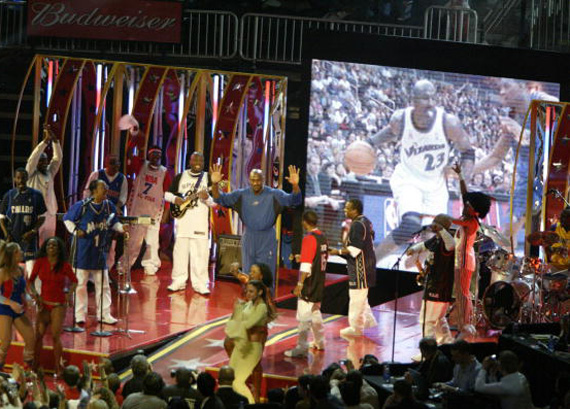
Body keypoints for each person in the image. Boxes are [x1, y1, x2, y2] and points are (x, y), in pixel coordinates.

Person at [367, 79, 475, 263]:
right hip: (408, 180)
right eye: (425, 98)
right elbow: (390, 132)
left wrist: (464, 179)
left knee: (432, 237)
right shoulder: (400, 119)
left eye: (433, 98)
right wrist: (370, 143)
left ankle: (417, 274)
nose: (430, 103)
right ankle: (370, 263)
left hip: (436, 185)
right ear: (413, 100)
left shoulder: (448, 123)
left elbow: (468, 151)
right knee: (410, 225)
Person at [211, 164, 302, 282]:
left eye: (258, 180)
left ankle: (267, 299)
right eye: (253, 180)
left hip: (267, 238)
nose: (255, 183)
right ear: (249, 180)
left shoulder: (274, 194)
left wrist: (295, 185)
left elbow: (294, 200)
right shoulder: (241, 195)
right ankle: (249, 300)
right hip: (249, 237)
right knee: (248, 275)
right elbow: (219, 198)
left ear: (263, 179)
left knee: (266, 275)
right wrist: (214, 184)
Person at [64, 179, 127, 324]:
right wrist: (75, 230)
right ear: (94, 191)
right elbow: (67, 219)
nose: (106, 191)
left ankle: (104, 314)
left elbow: (114, 222)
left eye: (106, 188)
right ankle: (79, 315)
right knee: (80, 284)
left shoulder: (108, 206)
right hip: (82, 252)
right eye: (102, 188)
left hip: (100, 252)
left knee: (103, 284)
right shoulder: (82, 206)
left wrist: (121, 228)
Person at [451, 162, 491, 339]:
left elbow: (452, 221)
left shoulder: (471, 222)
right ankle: (462, 323)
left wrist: (441, 219)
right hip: (462, 259)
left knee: (464, 294)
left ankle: (466, 325)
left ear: (475, 209)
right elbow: (464, 193)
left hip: (465, 260)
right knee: (461, 294)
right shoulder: (468, 216)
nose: (464, 204)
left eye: (468, 204)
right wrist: (460, 175)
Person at [165, 152, 214, 294]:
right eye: (195, 159)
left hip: (200, 224)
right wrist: (176, 200)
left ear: (204, 162)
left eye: (201, 159)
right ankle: (178, 281)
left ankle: (200, 284)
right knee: (180, 253)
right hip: (182, 223)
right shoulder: (180, 177)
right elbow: (167, 194)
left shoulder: (208, 178)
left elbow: (214, 202)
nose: (198, 162)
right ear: (190, 162)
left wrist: (206, 198)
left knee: (200, 254)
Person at [27, 236, 78, 374]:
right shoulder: (40, 262)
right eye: (49, 245)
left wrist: (69, 294)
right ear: (45, 248)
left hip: (58, 305)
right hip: (43, 305)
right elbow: (30, 281)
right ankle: (35, 365)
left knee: (55, 336)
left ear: (59, 249)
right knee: (38, 335)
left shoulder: (65, 265)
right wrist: (35, 295)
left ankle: (58, 366)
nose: (51, 247)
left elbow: (75, 281)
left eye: (54, 245)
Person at [329, 199, 377, 337]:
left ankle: (356, 328)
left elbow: (354, 250)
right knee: (361, 297)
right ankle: (368, 321)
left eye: (347, 208)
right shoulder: (365, 221)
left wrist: (337, 252)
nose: (345, 210)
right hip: (367, 266)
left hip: (361, 269)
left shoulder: (357, 225)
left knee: (356, 298)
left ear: (355, 210)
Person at [406, 213, 455, 345]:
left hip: (439, 286)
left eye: (436, 224)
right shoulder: (437, 239)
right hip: (434, 284)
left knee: (427, 319)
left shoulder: (447, 240)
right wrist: (414, 249)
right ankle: (447, 343)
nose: (432, 226)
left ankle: (428, 349)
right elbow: (424, 245)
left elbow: (451, 245)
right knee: (438, 318)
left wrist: (441, 230)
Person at [225, 280, 276, 403]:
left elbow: (247, 324)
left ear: (260, 292)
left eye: (251, 291)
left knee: (238, 382)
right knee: (232, 379)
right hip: (241, 345)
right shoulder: (249, 305)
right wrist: (236, 310)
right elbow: (236, 321)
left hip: (252, 348)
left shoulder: (262, 307)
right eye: (247, 291)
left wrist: (236, 321)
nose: (248, 293)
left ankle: (251, 404)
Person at [285, 210, 328, 358]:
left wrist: (299, 284)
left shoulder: (309, 238)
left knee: (303, 315)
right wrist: (300, 256)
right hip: (319, 280)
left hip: (309, 283)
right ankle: (320, 342)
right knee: (315, 312)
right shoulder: (322, 237)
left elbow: (306, 265)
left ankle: (301, 347)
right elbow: (315, 257)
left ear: (305, 222)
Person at [121, 146, 170, 276]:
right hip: (138, 209)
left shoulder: (164, 172)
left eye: (159, 154)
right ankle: (125, 265)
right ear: (149, 155)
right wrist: (135, 136)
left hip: (154, 211)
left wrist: (166, 213)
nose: (156, 156)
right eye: (153, 154)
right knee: (133, 241)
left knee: (152, 242)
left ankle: (150, 265)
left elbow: (168, 195)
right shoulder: (141, 166)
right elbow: (130, 155)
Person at [83, 154, 128, 270]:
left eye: (117, 163)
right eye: (112, 163)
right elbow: (87, 193)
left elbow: (123, 198)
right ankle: (91, 270)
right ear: (106, 163)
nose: (115, 166)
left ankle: (106, 269)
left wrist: (116, 207)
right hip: (96, 213)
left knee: (111, 244)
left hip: (112, 215)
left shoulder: (122, 178)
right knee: (94, 242)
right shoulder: (96, 175)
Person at [0, 168, 47, 275]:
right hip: (13, 237)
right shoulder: (9, 195)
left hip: (29, 238)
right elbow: (1, 217)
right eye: (18, 178)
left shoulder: (36, 195)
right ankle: (12, 290)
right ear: (15, 179)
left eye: (23, 177)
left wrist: (33, 231)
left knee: (31, 271)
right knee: (10, 268)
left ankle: (30, 290)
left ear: (27, 178)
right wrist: (7, 234)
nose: (21, 180)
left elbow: (42, 217)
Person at [26, 125, 62, 245]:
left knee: (47, 245)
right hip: (34, 213)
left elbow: (57, 158)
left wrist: (55, 141)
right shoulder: (30, 173)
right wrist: (45, 142)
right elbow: (33, 158)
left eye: (45, 161)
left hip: (49, 213)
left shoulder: (49, 172)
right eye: (41, 161)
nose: (44, 163)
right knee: (31, 245)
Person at [0, 242, 34, 368]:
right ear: (13, 255)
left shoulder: (20, 269)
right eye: (19, 251)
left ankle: (27, 369)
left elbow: (23, 291)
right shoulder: (2, 272)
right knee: (6, 342)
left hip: (18, 309)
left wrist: (28, 298)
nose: (22, 253)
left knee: (30, 337)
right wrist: (11, 303)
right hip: (3, 309)